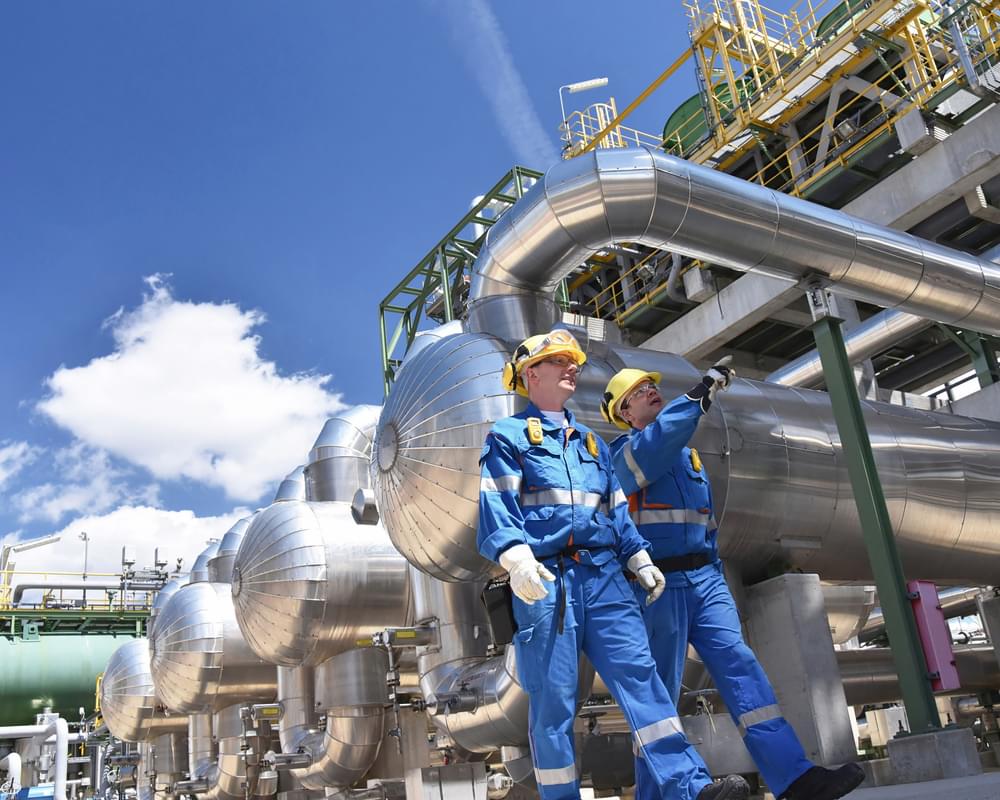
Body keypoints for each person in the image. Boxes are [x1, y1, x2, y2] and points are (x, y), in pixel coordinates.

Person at [478, 328, 752, 800]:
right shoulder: (507, 437)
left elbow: (616, 509)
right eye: (561, 360)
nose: (572, 368)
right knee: (554, 705)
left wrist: (639, 556)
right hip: (547, 583)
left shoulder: (590, 443)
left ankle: (689, 788)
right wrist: (517, 557)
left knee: (643, 680)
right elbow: (496, 504)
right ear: (530, 374)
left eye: (574, 362)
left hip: (605, 577)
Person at [601, 363, 867, 800]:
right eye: (639, 391)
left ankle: (794, 778)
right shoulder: (623, 455)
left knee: (743, 670)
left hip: (705, 578)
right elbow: (657, 446)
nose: (651, 391)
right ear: (623, 413)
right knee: (658, 695)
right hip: (657, 585)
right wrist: (698, 395)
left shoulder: (687, 456)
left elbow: (702, 519)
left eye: (652, 385)